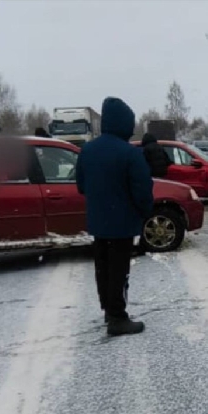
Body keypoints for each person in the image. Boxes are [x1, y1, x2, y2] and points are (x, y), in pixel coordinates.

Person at [75, 97, 153, 337]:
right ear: (125, 125)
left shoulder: (87, 150)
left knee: (103, 268)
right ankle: (118, 318)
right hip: (122, 223)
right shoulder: (130, 154)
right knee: (120, 269)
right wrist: (144, 212)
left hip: (99, 222)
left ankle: (109, 310)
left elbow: (81, 186)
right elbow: (142, 190)